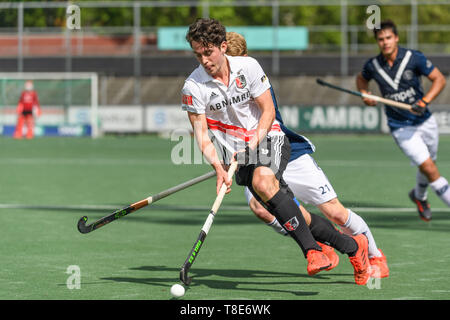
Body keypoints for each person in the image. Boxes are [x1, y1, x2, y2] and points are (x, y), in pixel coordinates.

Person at [181, 18, 371, 285]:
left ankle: (313, 252)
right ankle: (354, 246)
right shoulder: (193, 87)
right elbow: (201, 136)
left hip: (269, 137)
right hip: (239, 156)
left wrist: (253, 143)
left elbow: (268, 110)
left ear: (223, 47)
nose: (203, 60)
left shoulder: (247, 67)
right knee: (296, 214)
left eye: (208, 52)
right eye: (197, 54)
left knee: (262, 182)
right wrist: (218, 169)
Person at [226, 31, 388, 279]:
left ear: (245, 59)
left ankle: (375, 255)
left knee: (334, 212)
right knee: (261, 208)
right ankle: (318, 244)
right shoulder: (215, 85)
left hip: (284, 153)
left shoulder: (253, 78)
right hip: (253, 161)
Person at [356, 20, 448, 221]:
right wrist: (365, 94)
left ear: (396, 38)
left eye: (388, 38)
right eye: (381, 39)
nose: (385, 42)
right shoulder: (373, 65)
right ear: (377, 42)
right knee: (429, 168)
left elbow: (439, 79)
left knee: (428, 164)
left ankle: (419, 196)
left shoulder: (413, 58)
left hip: (425, 121)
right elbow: (361, 79)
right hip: (401, 128)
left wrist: (425, 101)